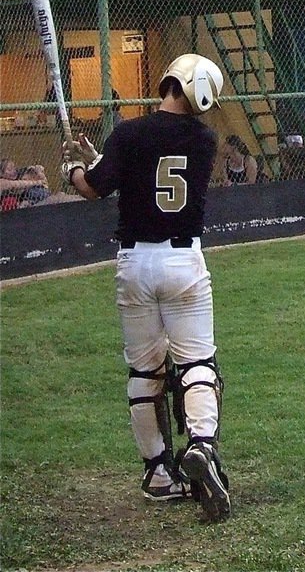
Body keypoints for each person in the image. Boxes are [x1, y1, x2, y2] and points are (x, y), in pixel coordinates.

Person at [60, 53, 231, 523]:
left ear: (170, 80)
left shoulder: (129, 133)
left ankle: (158, 472)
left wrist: (74, 168)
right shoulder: (204, 140)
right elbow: (151, 172)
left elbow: (96, 187)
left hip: (135, 264)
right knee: (197, 362)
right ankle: (200, 446)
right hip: (183, 261)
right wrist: (99, 159)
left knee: (145, 371)